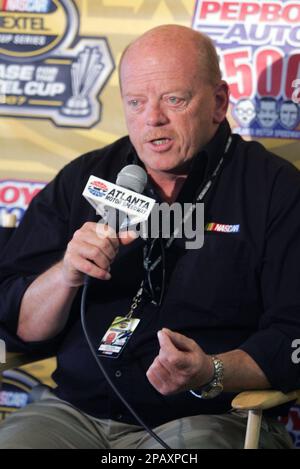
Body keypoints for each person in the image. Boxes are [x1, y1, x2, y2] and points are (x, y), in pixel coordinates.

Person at [0, 24, 299, 449]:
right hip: (74, 415)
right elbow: (20, 323)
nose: (152, 119)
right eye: (136, 103)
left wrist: (210, 371)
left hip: (207, 418)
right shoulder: (85, 177)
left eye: (174, 99)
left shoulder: (274, 190)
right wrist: (66, 274)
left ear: (218, 103)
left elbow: (292, 334)